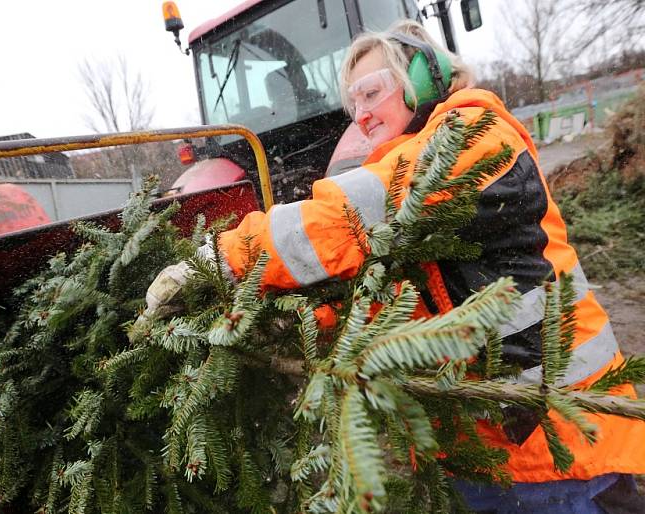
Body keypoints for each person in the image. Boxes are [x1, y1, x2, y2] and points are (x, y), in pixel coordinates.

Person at [145, 20, 645, 512]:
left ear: (422, 80)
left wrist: (223, 256)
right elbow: (394, 303)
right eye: (352, 103)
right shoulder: (406, 166)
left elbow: (354, 212)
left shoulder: (476, 134)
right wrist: (298, 323)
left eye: (371, 92)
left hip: (562, 441)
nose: (359, 115)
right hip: (483, 447)